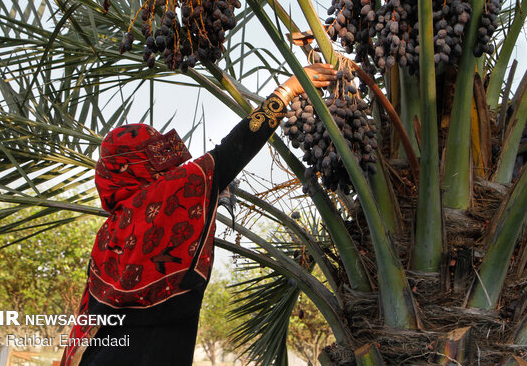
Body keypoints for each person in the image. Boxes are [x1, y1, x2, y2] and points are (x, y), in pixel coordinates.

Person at [60, 63, 337, 366]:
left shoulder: (109, 232)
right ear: (139, 162)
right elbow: (235, 148)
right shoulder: (171, 194)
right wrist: (286, 93)